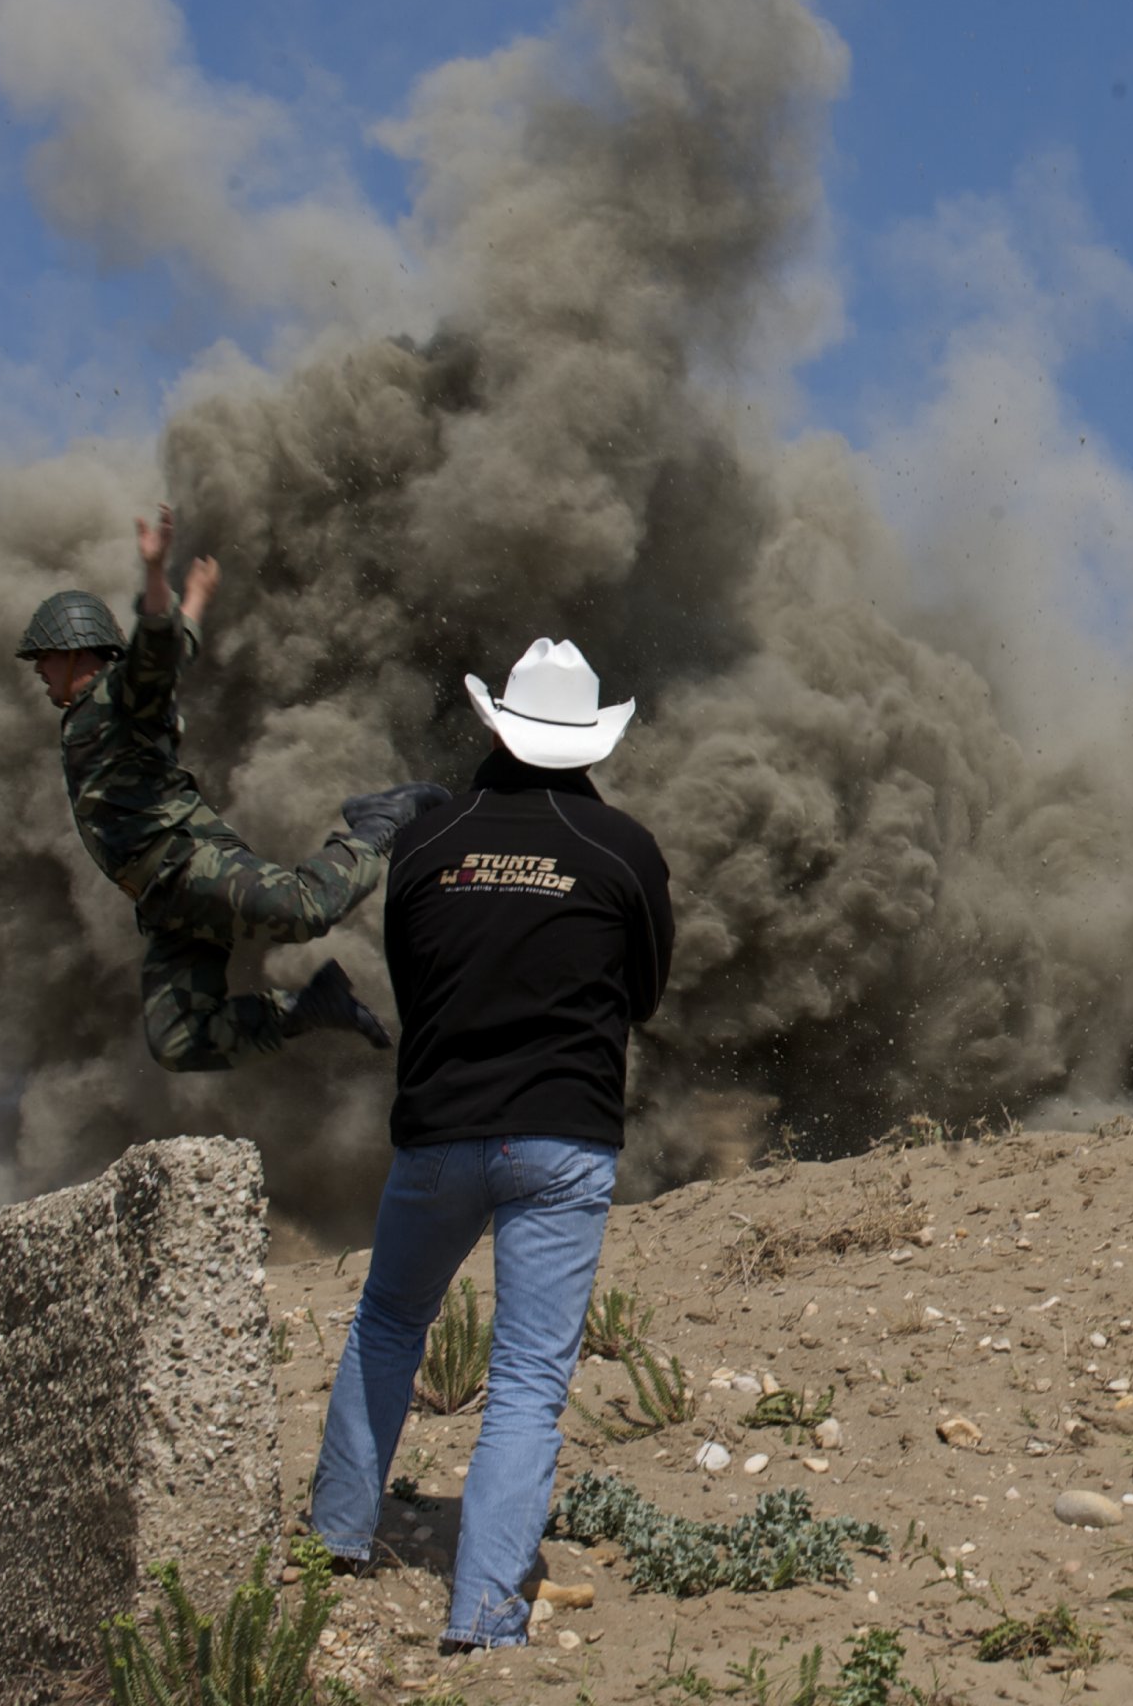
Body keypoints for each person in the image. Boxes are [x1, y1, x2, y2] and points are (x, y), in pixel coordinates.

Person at [308, 636, 674, 1653]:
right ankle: (482, 1618)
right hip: (561, 1140)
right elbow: (643, 993)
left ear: (497, 726)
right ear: (590, 741)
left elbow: (413, 978)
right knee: (524, 1380)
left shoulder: (427, 844)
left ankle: (335, 1535)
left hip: (437, 1131)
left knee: (388, 1321)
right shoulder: (623, 848)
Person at [16, 504, 448, 1069]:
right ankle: (310, 1007)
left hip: (189, 864)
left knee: (306, 908)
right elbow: (178, 649)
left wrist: (156, 574)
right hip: (165, 899)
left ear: (76, 649)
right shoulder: (96, 708)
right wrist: (195, 598)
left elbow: (158, 650)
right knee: (178, 1041)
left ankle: (379, 822)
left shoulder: (118, 696)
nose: (38, 668)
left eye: (44, 656)